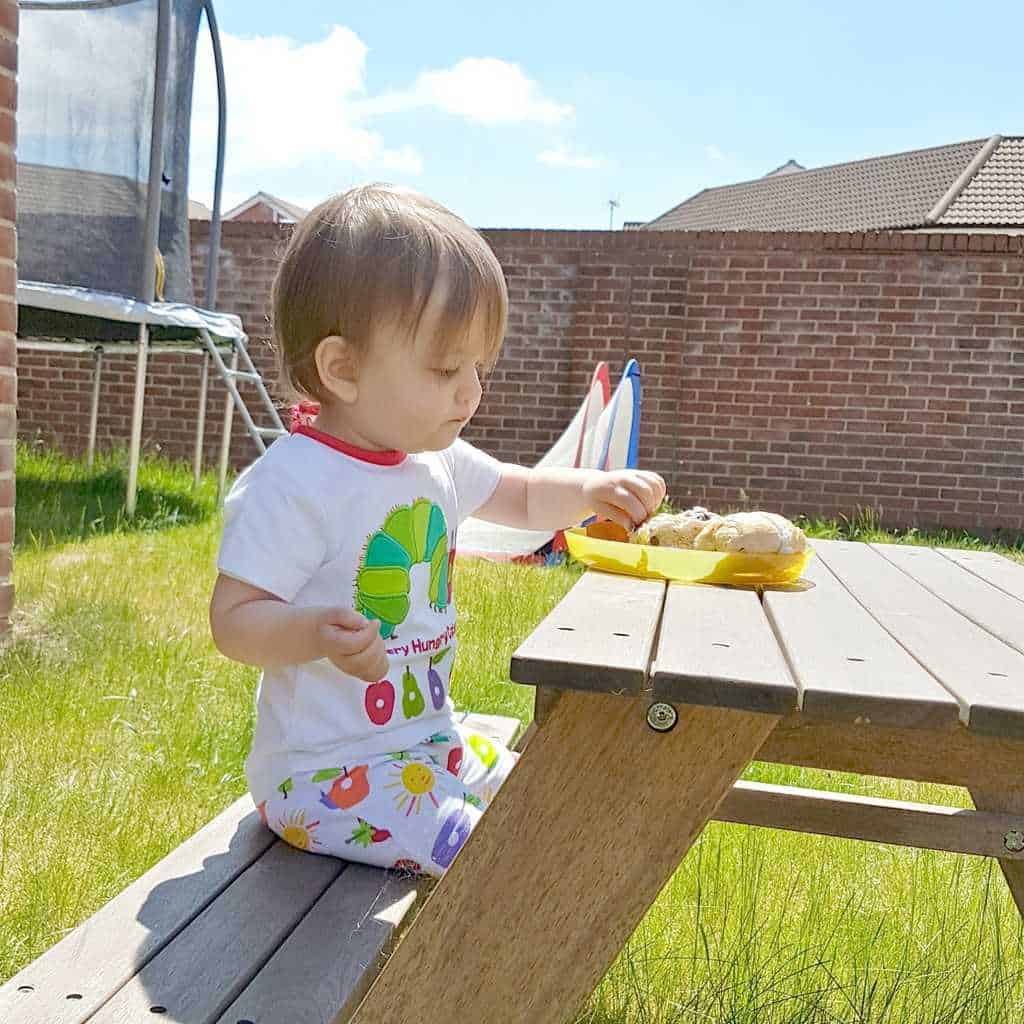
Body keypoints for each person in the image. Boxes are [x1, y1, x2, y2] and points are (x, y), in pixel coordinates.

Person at [208, 184, 666, 877]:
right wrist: (311, 633)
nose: (471, 391)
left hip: (426, 745)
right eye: (446, 368)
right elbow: (233, 621)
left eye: (477, 367)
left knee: (545, 797)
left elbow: (523, 493)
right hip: (320, 775)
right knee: (483, 850)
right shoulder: (296, 482)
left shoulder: (436, 460)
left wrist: (590, 490)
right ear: (343, 368)